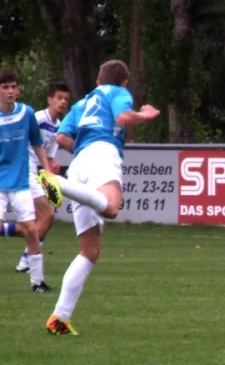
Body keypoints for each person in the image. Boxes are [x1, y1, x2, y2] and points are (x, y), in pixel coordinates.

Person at [37, 60, 160, 335]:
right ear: (123, 83)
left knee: (89, 252)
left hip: (81, 162)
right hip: (103, 154)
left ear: (97, 81)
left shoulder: (82, 103)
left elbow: (61, 138)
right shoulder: (117, 93)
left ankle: (59, 318)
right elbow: (122, 119)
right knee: (113, 206)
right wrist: (144, 114)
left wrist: (83, 145)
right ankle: (58, 182)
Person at [0, 68, 56, 292]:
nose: (10, 91)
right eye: (5, 87)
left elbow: (37, 142)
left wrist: (47, 169)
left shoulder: (26, 113)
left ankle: (37, 282)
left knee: (32, 230)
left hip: (21, 181)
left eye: (14, 86)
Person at [12, 82, 70, 273]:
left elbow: (49, 155)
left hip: (34, 173)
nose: (62, 102)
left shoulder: (58, 126)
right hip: (23, 170)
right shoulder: (37, 118)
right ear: (50, 99)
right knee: (46, 216)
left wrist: (51, 166)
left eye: (66, 99)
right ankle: (27, 261)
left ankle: (26, 260)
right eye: (59, 98)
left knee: (43, 218)